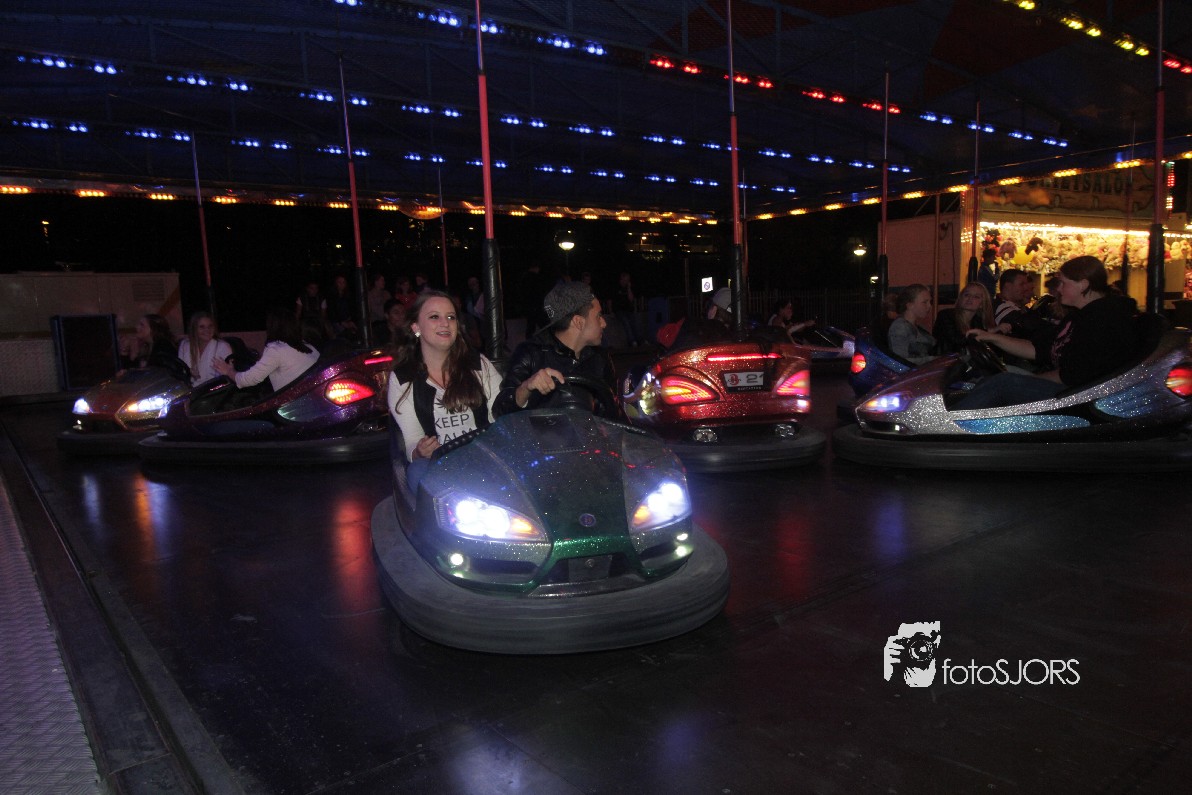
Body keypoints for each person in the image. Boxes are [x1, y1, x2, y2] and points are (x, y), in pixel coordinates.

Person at [955, 256, 1138, 409]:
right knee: (994, 379)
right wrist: (990, 337)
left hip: (1082, 397)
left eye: (1063, 283)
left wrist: (1028, 381)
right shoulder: (1078, 316)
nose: (1058, 289)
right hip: (1069, 388)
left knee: (1002, 383)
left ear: (1083, 285)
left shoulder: (1104, 319)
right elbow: (1037, 349)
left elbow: (1073, 375)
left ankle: (950, 429)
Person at [387, 290, 502, 493]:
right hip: (441, 466)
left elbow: (502, 412)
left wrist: (525, 391)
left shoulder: (478, 364)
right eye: (434, 317)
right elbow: (412, 442)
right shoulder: (403, 378)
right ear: (416, 327)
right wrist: (420, 452)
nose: (445, 323)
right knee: (418, 471)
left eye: (451, 317)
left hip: (484, 458)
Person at [494, 280, 617, 416]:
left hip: (590, 430)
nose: (604, 323)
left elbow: (614, 413)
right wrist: (526, 388)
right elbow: (500, 411)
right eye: (598, 316)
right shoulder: (531, 353)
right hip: (539, 430)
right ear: (578, 322)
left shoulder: (600, 358)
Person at [212, 307, 318, 392]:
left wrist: (228, 371)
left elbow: (248, 380)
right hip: (312, 397)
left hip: (294, 404)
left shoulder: (276, 349)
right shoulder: (308, 346)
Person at [932, 283, 992, 355]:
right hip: (944, 359)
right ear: (960, 298)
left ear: (982, 304)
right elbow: (956, 341)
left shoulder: (977, 321)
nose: (970, 298)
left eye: (976, 297)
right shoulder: (946, 315)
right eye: (966, 295)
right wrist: (989, 333)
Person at [177, 311, 233, 385]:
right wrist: (189, 373)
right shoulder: (185, 345)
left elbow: (230, 374)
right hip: (188, 388)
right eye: (202, 327)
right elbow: (180, 371)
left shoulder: (223, 346)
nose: (207, 330)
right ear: (194, 329)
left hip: (214, 389)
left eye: (210, 326)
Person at [887, 284, 936, 365]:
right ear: (910, 305)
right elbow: (900, 360)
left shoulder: (918, 327)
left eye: (929, 302)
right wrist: (932, 360)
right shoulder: (900, 327)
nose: (929, 306)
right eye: (924, 302)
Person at [992, 269, 1046, 338]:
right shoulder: (1002, 308)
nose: (1025, 288)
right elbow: (1028, 327)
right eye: (1022, 284)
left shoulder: (1018, 307)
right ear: (1008, 286)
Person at [612, 271, 644, 347]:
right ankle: (632, 341)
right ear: (622, 279)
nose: (627, 282)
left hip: (628, 310)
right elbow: (610, 300)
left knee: (635, 320)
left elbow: (631, 299)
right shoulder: (616, 287)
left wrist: (629, 288)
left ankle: (640, 340)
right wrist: (611, 312)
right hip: (619, 310)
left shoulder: (628, 288)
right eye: (626, 280)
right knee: (625, 321)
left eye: (628, 280)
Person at [325, 274, 359, 341]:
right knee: (344, 333)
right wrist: (342, 322)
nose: (341, 284)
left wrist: (352, 320)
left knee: (357, 330)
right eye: (339, 282)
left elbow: (353, 309)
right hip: (336, 321)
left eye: (343, 282)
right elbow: (332, 312)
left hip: (349, 320)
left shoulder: (349, 295)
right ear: (336, 283)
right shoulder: (331, 296)